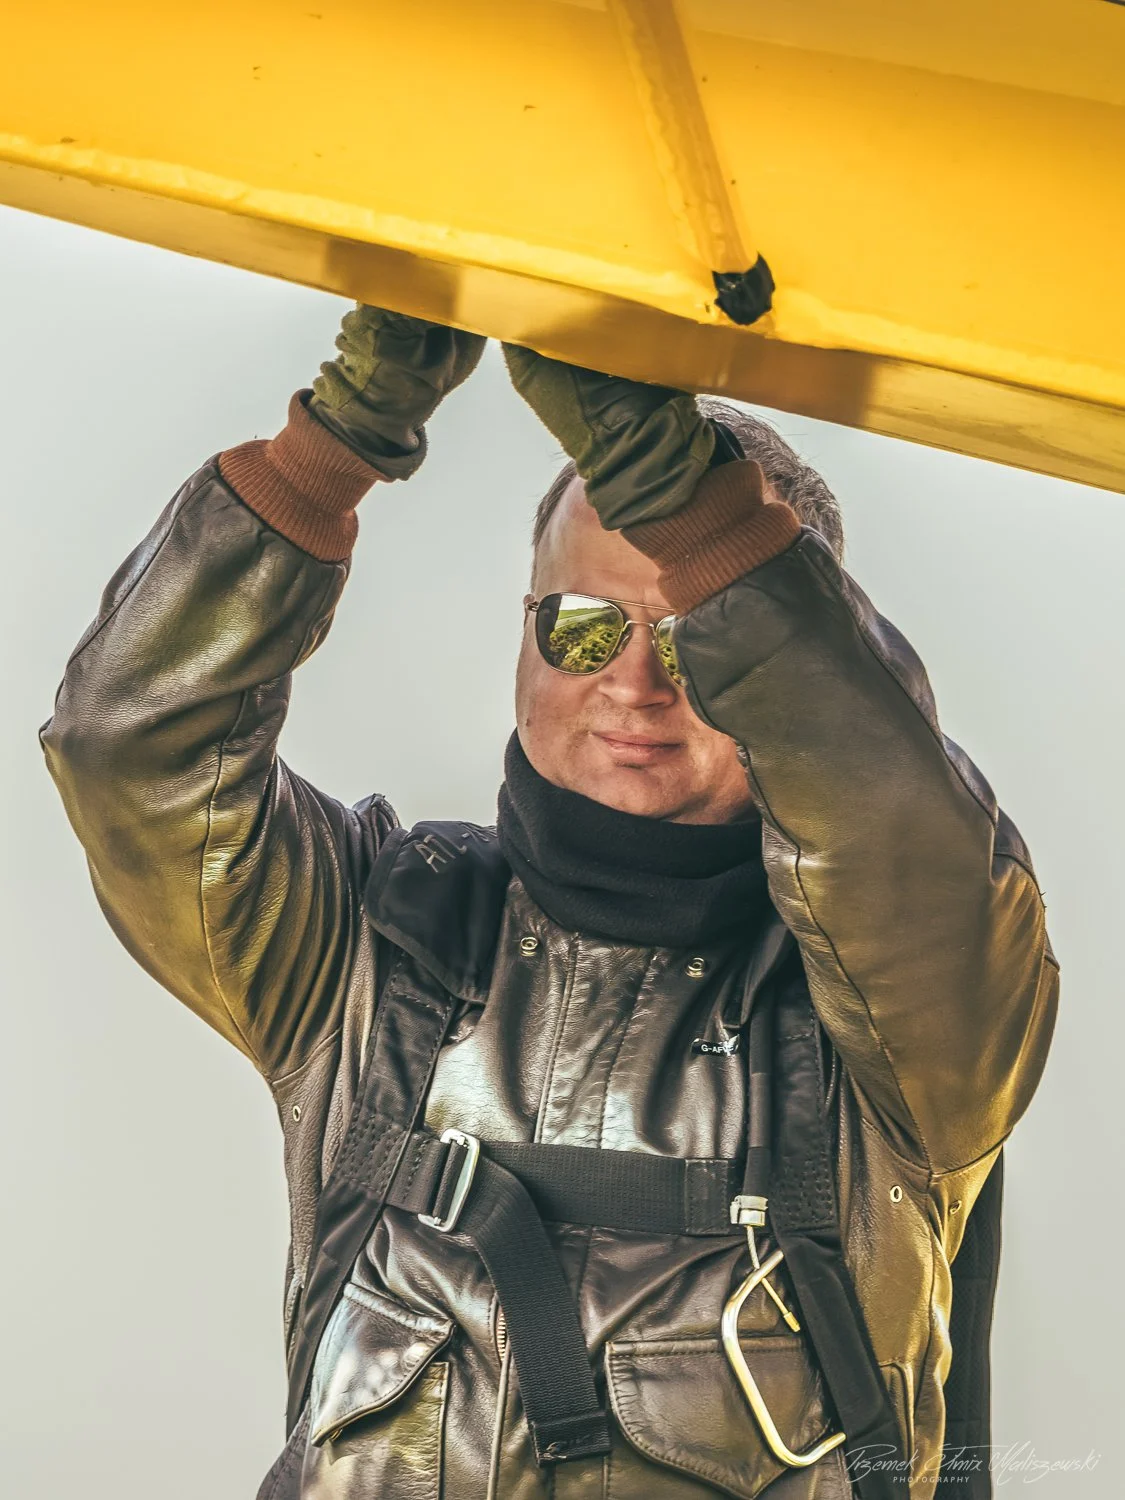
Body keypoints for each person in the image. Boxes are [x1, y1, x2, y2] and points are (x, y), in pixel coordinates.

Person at [41, 305, 1058, 1500]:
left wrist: (699, 505)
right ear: (525, 639)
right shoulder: (374, 949)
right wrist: (327, 454)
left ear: (780, 664)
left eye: (694, 645)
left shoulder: (905, 1035)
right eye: (581, 627)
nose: (631, 684)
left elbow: (911, 851)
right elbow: (130, 751)